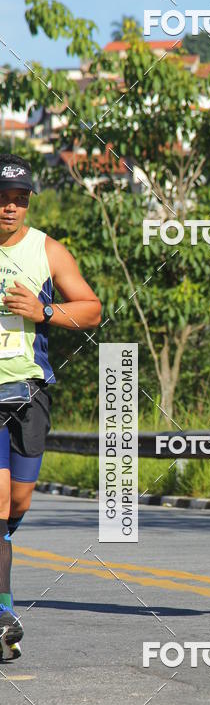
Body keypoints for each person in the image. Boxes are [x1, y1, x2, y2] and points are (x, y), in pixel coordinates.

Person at [0, 154, 101, 660]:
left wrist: (41, 310)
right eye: (3, 198)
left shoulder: (47, 250)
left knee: (17, 504)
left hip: (28, 392)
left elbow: (91, 309)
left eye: (19, 200)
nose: (10, 208)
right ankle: (3, 612)